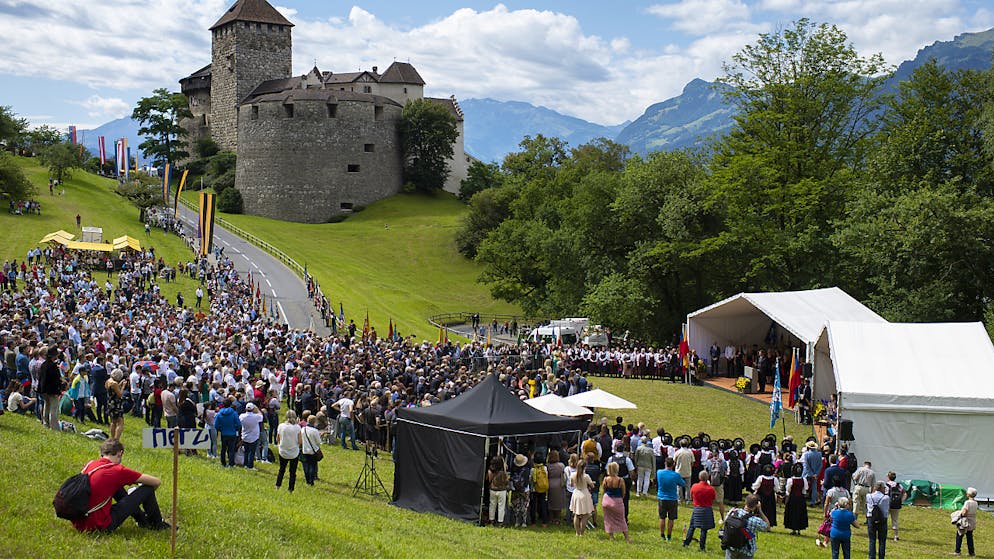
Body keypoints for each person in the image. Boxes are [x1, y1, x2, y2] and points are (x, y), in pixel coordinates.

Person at [71, 438, 170, 532]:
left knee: (116, 487)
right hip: (100, 525)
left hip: (79, 521)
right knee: (147, 489)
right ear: (119, 453)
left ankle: (141, 519)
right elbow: (156, 482)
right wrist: (139, 493)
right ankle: (157, 524)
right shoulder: (117, 470)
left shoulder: (91, 464)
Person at [722, 493, 771, 559]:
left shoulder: (733, 512)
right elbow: (767, 527)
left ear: (745, 502)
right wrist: (760, 510)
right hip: (747, 550)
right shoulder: (755, 520)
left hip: (731, 546)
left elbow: (725, 521)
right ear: (756, 505)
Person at [684, 470, 716, 551]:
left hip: (697, 509)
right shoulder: (711, 489)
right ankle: (702, 546)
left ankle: (686, 542)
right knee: (704, 530)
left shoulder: (694, 486)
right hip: (707, 509)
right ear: (707, 478)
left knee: (692, 527)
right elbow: (713, 499)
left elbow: (691, 495)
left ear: (699, 477)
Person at [657, 456, 686, 541]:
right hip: (672, 498)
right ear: (673, 465)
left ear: (665, 463)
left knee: (662, 517)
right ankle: (669, 535)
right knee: (671, 518)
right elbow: (683, 483)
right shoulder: (676, 475)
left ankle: (662, 535)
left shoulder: (659, 472)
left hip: (662, 497)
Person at [819, 475, 852, 548]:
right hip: (843, 511)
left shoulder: (831, 491)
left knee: (829, 527)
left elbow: (826, 503)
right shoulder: (846, 491)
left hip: (833, 511)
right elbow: (850, 501)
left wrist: (825, 513)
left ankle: (826, 541)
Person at [601, 461, 630, 542]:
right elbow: (623, 492)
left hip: (607, 499)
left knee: (608, 518)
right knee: (621, 519)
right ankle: (627, 538)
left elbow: (603, 489)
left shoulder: (606, 479)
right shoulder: (620, 480)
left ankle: (611, 536)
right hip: (617, 500)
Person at [275, 410, 302, 492]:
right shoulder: (297, 427)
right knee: (292, 472)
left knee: (281, 469)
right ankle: (291, 489)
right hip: (294, 452)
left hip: (283, 451)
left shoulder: (281, 426)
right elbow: (300, 441)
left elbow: (277, 439)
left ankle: (277, 486)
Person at [38, 346, 63, 430]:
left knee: (46, 406)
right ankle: (54, 426)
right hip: (52, 391)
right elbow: (56, 379)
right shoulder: (53, 366)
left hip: (44, 390)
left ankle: (46, 424)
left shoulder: (43, 365)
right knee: (54, 409)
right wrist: (59, 388)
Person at [569, 458, 595, 536]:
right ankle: (582, 533)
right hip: (584, 493)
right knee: (584, 515)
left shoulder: (573, 475)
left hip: (576, 493)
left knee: (576, 514)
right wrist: (592, 483)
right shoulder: (586, 476)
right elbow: (592, 486)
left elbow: (571, 484)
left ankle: (577, 532)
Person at [213, 398, 241, 468]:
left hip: (224, 433)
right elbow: (239, 424)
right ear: (230, 404)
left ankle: (223, 463)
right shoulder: (234, 413)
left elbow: (215, 425)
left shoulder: (219, 414)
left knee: (223, 448)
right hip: (232, 433)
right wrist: (235, 429)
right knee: (231, 449)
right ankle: (231, 463)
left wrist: (221, 429)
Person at [865, 481, 890, 559]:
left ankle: (871, 556)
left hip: (871, 518)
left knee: (872, 540)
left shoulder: (869, 496)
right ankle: (881, 557)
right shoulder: (886, 497)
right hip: (882, 519)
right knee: (882, 541)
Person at [751, 464, 779, 528]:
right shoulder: (774, 479)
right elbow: (777, 489)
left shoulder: (760, 478)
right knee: (769, 511)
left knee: (760, 510)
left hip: (761, 497)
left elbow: (755, 487)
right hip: (770, 497)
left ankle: (758, 524)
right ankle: (769, 525)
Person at [783, 462, 808, 534]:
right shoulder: (804, 480)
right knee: (800, 513)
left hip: (793, 498)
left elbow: (788, 490)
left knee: (793, 513)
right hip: (801, 498)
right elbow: (805, 490)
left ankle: (794, 529)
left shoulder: (790, 480)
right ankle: (799, 529)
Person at [953, 487, 978, 556]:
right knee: (969, 537)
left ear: (968, 494)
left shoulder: (967, 502)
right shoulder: (976, 503)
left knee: (959, 535)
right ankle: (972, 553)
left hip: (965, 521)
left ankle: (957, 551)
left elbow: (964, 512)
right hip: (972, 521)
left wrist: (958, 514)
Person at [239, 402, 264, 470]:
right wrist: (257, 409)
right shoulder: (256, 416)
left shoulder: (242, 416)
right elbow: (261, 416)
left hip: (245, 435)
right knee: (251, 452)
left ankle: (246, 464)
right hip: (253, 436)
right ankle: (250, 466)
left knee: (246, 451)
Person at [300, 415, 322, 486]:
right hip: (313, 451)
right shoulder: (315, 431)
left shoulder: (303, 429)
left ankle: (307, 481)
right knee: (312, 466)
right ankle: (311, 481)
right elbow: (318, 442)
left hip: (305, 449)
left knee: (306, 466)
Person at [487, 456, 509, 527]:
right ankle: (500, 522)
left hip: (493, 489)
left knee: (492, 506)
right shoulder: (503, 472)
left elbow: (489, 480)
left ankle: (491, 521)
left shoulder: (490, 471)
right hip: (502, 490)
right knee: (501, 507)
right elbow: (506, 481)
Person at [883, 471, 905, 541]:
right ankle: (896, 535)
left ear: (888, 477)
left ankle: (883, 534)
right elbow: (905, 494)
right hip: (896, 505)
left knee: (884, 519)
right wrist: (901, 501)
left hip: (887, 504)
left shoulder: (885, 485)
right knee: (895, 520)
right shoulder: (899, 485)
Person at [546, 449, 566, 524]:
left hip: (550, 483)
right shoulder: (561, 465)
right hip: (559, 484)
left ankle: (551, 518)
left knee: (550, 502)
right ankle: (557, 519)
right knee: (558, 502)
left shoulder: (547, 466)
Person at [674, 439, 694, 503]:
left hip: (679, 471)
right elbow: (692, 462)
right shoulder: (690, 452)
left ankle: (680, 499)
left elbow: (674, 461)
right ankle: (688, 499)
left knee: (679, 486)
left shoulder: (677, 452)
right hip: (687, 471)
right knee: (687, 486)